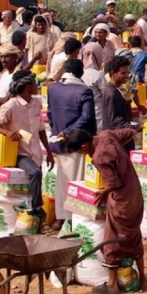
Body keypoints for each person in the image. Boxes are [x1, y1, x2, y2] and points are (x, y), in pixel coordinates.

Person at [63, 128, 145, 294]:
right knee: (133, 235)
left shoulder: (99, 157)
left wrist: (103, 192)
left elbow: (114, 182)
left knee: (112, 240)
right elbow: (127, 133)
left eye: (79, 150)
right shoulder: (106, 135)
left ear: (84, 146)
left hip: (123, 200)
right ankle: (143, 279)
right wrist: (138, 129)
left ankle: (112, 284)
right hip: (136, 193)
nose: (81, 154)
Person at [0, 71, 54, 230]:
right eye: (34, 84)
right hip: (20, 152)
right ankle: (40, 213)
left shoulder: (36, 103)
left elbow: (40, 130)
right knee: (35, 173)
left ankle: (37, 224)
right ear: (27, 87)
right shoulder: (11, 105)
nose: (37, 87)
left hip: (35, 151)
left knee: (37, 176)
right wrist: (8, 132)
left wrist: (49, 152)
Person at [47, 59, 97, 227]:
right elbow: (87, 117)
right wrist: (68, 133)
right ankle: (72, 217)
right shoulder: (84, 91)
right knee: (78, 180)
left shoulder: (53, 88)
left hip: (60, 143)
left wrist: (58, 134)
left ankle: (61, 217)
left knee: (63, 179)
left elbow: (50, 114)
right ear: (81, 72)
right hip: (78, 141)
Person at [102, 56, 138, 150]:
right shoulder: (111, 93)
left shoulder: (118, 90)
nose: (127, 76)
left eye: (127, 73)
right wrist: (136, 127)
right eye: (123, 73)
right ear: (113, 73)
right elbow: (116, 120)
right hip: (116, 142)